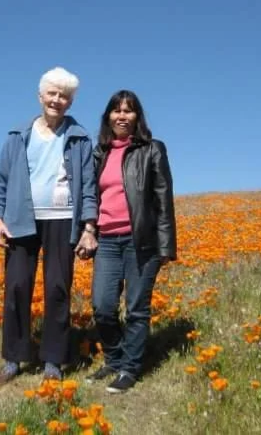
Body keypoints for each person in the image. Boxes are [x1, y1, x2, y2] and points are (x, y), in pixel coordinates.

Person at [0, 66, 98, 385]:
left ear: (70, 103)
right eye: (52, 93)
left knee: (58, 288)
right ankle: (13, 358)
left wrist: (89, 227)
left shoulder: (79, 138)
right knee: (17, 287)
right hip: (21, 219)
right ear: (40, 96)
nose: (57, 100)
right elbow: (0, 180)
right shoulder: (17, 136)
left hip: (63, 219)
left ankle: (53, 359)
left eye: (64, 96)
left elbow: (88, 185)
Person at [86, 89, 177, 393]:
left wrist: (166, 246)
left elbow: (164, 199)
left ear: (137, 116)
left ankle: (130, 367)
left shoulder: (152, 149)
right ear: (108, 116)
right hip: (108, 241)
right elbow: (90, 197)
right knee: (102, 306)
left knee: (137, 308)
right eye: (116, 110)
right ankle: (114, 358)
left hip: (142, 241)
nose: (122, 116)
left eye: (129, 110)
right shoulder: (100, 154)